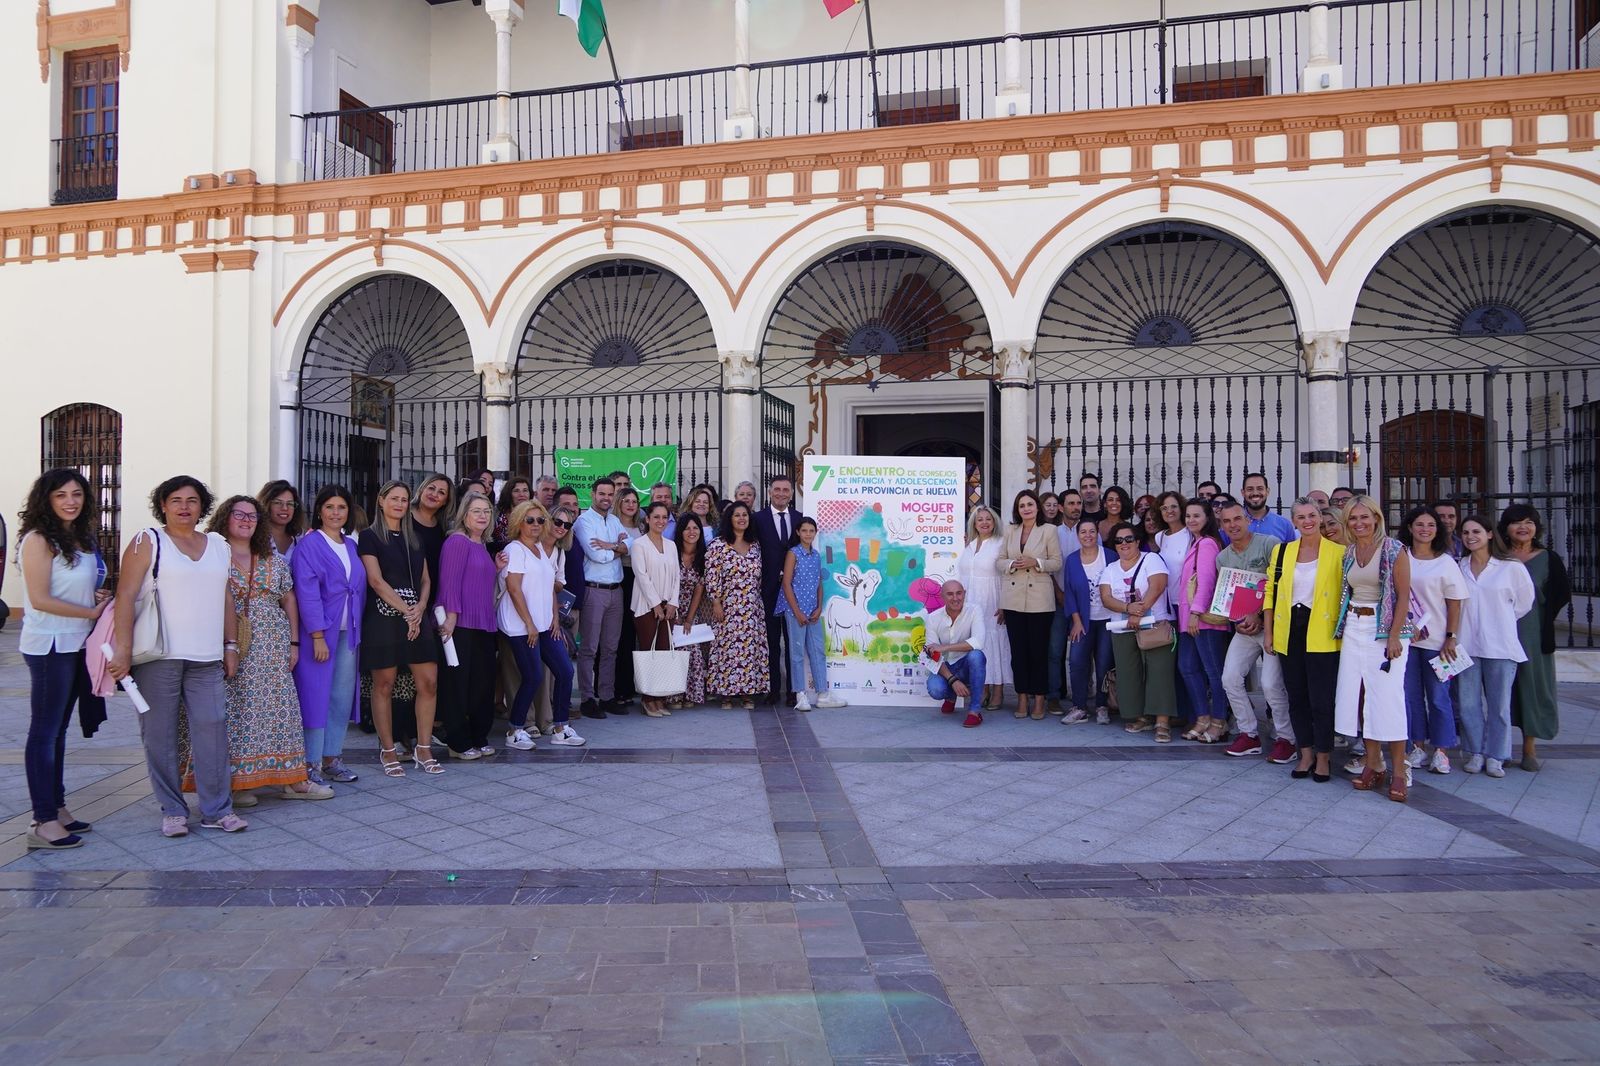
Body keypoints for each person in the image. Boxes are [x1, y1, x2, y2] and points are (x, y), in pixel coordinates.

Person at [108, 476, 245, 836]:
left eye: (192, 500)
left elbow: (227, 597)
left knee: (212, 729)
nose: (184, 507)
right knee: (160, 734)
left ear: (203, 506)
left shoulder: (218, 545)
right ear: (163, 505)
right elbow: (124, 597)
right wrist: (122, 650)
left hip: (206, 656)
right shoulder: (147, 541)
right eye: (176, 500)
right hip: (158, 656)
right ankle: (172, 810)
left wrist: (230, 646)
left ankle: (217, 809)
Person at [202, 495, 331, 804]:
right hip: (230, 641)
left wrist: (294, 642)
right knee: (238, 710)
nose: (246, 520)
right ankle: (240, 783)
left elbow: (288, 598)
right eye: (239, 515)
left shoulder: (268, 556)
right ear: (225, 518)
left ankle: (292, 779)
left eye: (252, 516)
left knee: (280, 708)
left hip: (273, 643)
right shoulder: (212, 554)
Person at [16, 469, 110, 849]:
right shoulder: (38, 540)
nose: (71, 501)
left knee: (58, 732)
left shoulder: (78, 539)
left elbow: (75, 589)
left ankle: (57, 808)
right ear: (46, 500)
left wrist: (96, 600)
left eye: (77, 494)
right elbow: (40, 599)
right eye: (61, 495)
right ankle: (42, 821)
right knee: (45, 732)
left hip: (76, 644)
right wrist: (91, 614)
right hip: (50, 646)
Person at [359, 481, 444, 776]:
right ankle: (388, 749)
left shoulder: (415, 537)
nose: (399, 504)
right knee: (384, 685)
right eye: (393, 498)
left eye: (404, 499)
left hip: (416, 617)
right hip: (384, 618)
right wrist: (407, 610)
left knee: (429, 682)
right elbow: (376, 581)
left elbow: (426, 579)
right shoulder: (369, 537)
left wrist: (420, 607)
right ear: (381, 501)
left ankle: (423, 748)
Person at [1336, 496, 1413, 802]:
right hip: (1355, 627)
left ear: (1376, 518)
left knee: (1388, 700)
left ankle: (1398, 771)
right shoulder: (1350, 552)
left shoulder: (1394, 549)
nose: (1359, 523)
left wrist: (1394, 636)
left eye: (1364, 517)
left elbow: (1404, 596)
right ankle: (1373, 764)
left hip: (1384, 631)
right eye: (1353, 518)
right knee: (1361, 697)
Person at [1263, 498, 1345, 781]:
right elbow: (1270, 593)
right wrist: (1270, 631)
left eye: (1312, 515)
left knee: (1321, 698)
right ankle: (1305, 752)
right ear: (1294, 521)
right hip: (1290, 630)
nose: (1307, 521)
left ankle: (1324, 756)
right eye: (1301, 517)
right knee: (1296, 696)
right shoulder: (1283, 551)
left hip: (1322, 632)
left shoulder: (1338, 552)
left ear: (1320, 518)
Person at [292, 485, 370, 780]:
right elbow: (307, 592)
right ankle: (310, 762)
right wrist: (316, 636)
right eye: (329, 507)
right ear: (319, 511)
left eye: (341, 507)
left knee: (340, 697)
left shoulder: (350, 545)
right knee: (316, 696)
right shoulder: (310, 546)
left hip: (348, 633)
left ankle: (332, 758)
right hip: (321, 634)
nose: (336, 513)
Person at [1215, 502, 1296, 763]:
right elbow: (1228, 596)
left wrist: (1261, 615)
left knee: (1271, 684)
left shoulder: (1270, 544)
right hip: (1245, 630)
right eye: (1227, 521)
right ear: (1222, 526)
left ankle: (1287, 739)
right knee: (1229, 678)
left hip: (1272, 626)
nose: (1233, 525)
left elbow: (1284, 585)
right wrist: (1237, 620)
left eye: (1237, 518)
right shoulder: (1222, 558)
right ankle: (1249, 734)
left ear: (1247, 520)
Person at [500, 499, 584, 749]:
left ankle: (561, 727)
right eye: (530, 520)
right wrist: (530, 625)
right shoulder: (515, 549)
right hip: (522, 627)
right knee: (533, 676)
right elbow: (514, 589)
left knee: (566, 671)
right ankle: (515, 730)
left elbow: (550, 587)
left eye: (540, 520)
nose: (536, 524)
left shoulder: (541, 549)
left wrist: (554, 619)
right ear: (519, 523)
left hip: (545, 625)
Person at [1455, 515, 1534, 778]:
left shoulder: (1510, 567)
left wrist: (1500, 620)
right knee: (1467, 704)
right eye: (1465, 532)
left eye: (1476, 531)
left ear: (1489, 534)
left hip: (1500, 646)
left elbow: (1524, 603)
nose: (1470, 536)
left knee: (1499, 705)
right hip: (1466, 645)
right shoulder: (1459, 566)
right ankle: (1475, 752)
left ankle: (1497, 755)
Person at [1501, 503, 1571, 772]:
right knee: (1502, 689)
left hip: (1534, 632)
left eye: (1529, 522)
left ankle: (1529, 748)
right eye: (1517, 522)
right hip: (1501, 629)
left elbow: (1561, 593)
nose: (1523, 527)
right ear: (1506, 527)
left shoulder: (1548, 558)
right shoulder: (1497, 556)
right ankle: (1500, 747)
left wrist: (1538, 613)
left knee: (1532, 686)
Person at [1399, 506, 1468, 775]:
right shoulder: (1400, 556)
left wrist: (1451, 637)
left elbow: (1454, 604)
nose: (1425, 529)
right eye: (1420, 524)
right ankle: (1417, 747)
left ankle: (1441, 751)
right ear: (1410, 527)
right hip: (1406, 640)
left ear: (1437, 530)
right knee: (1411, 697)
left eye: (1430, 525)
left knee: (1439, 698)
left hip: (1437, 642)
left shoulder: (1446, 562)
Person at [437, 494, 502, 760]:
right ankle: (458, 742)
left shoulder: (482, 545)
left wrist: (496, 569)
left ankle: (478, 736)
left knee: (481, 685)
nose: (483, 516)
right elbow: (449, 582)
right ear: (464, 514)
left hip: (484, 624)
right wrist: (451, 618)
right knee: (458, 686)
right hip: (461, 624)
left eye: (487, 511)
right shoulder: (457, 541)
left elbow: (478, 582)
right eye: (476, 511)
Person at [1100, 521, 1177, 742]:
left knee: (1160, 672)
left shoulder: (1151, 559)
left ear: (1138, 541)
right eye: (1119, 540)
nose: (1124, 544)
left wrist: (1139, 612)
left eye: (1129, 539)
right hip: (1122, 628)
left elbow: (1158, 585)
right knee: (1128, 674)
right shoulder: (1110, 569)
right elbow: (1106, 597)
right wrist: (1127, 609)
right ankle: (1141, 717)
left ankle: (1162, 722)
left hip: (1155, 625)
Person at [999, 490, 1062, 720]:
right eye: (1021, 505)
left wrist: (1035, 562)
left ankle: (1040, 698)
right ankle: (1022, 697)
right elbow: (999, 560)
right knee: (1018, 653)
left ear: (1037, 507)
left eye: (1030, 504)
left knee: (1038, 652)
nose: (1026, 508)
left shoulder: (1049, 530)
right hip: (1013, 599)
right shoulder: (1010, 530)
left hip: (1039, 601)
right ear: (1017, 509)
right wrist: (1012, 564)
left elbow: (1056, 562)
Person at [574, 477, 630, 717]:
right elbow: (598, 556)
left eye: (610, 494)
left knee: (610, 648)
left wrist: (611, 546)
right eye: (602, 494)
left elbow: (631, 545)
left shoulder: (616, 520)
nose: (606, 498)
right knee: (589, 648)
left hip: (616, 591)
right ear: (593, 494)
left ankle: (606, 696)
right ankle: (587, 699)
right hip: (594, 591)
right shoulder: (583, 522)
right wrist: (615, 549)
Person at [705, 501, 770, 708]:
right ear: (729, 519)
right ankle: (726, 694)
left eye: (745, 515)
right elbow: (712, 575)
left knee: (750, 650)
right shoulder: (718, 545)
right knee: (726, 649)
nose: (742, 518)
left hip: (751, 608)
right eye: (737, 515)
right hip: (727, 607)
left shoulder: (755, 545)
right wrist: (716, 602)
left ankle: (747, 693)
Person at [1175, 500, 1229, 744]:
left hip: (1204, 619)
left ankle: (1219, 721)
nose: (1191, 520)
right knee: (1187, 667)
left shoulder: (1207, 543)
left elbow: (1206, 580)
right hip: (1189, 620)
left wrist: (1196, 612)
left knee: (1213, 672)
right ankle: (1202, 717)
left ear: (1208, 518)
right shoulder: (1196, 543)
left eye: (1197, 515)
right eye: (1188, 516)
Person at [779, 516, 845, 711]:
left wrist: (818, 607)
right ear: (798, 533)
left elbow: (818, 583)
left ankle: (822, 693)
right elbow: (786, 583)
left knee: (817, 651)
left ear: (815, 533)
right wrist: (797, 612)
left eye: (811, 531)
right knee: (797, 653)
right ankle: (800, 694)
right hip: (795, 611)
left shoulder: (816, 555)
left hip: (813, 612)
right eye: (805, 530)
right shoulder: (793, 554)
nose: (808, 534)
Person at [754, 476, 805, 707]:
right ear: (770, 492)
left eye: (786, 490)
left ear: (792, 494)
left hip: (793, 591)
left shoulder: (799, 519)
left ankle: (795, 691)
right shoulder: (758, 519)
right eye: (777, 489)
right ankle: (773, 689)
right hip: (768, 590)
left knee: (793, 640)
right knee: (771, 642)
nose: (781, 493)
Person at [629, 501, 682, 717]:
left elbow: (677, 576)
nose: (660, 521)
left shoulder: (671, 545)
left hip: (668, 607)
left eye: (664, 517)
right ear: (647, 520)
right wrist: (655, 604)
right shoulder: (639, 545)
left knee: (663, 652)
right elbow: (642, 576)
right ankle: (647, 699)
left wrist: (672, 603)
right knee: (648, 652)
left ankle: (659, 698)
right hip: (646, 606)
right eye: (656, 517)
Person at [958, 505, 1012, 712]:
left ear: (994, 521)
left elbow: (1007, 575)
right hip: (971, 603)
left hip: (992, 601)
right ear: (974, 523)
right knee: (977, 644)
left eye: (988, 519)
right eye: (979, 519)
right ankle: (984, 688)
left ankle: (998, 691)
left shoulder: (1000, 544)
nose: (984, 522)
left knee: (994, 643)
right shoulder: (968, 545)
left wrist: (1005, 604)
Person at [1062, 517, 1114, 725]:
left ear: (1098, 534)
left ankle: (1102, 706)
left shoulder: (1110, 556)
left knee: (1103, 664)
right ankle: (1079, 707)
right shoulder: (1072, 560)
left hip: (1108, 620)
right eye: (1083, 532)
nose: (1088, 536)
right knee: (1076, 662)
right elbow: (1070, 594)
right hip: (1083, 620)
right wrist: (1076, 620)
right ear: (1077, 536)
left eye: (1092, 531)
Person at [925, 580, 987, 727]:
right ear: (942, 597)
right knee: (935, 690)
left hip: (965, 664)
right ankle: (951, 696)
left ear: (964, 593)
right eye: (950, 594)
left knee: (977, 656)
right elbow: (932, 655)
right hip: (945, 668)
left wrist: (945, 647)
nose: (955, 598)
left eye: (959, 593)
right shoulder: (933, 618)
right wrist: (952, 680)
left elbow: (978, 642)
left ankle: (974, 711)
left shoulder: (974, 610)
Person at [671, 514, 711, 710]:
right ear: (680, 531)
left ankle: (690, 695)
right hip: (669, 608)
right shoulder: (672, 552)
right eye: (687, 528)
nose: (692, 532)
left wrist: (688, 618)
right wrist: (674, 613)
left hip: (691, 610)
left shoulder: (704, 557)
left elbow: (699, 589)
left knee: (692, 651)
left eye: (695, 528)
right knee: (674, 651)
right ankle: (673, 695)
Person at [613, 487, 646, 709]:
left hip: (640, 580)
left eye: (634, 501)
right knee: (622, 636)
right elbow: (615, 552)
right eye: (626, 501)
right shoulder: (614, 525)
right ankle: (620, 688)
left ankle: (634, 685)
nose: (631, 505)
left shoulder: (642, 527)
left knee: (636, 634)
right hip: (622, 579)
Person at [1241, 473, 1296, 542]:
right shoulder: (1234, 524)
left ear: (1267, 491)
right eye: (1250, 489)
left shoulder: (1285, 525)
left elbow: (1291, 552)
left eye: (1260, 488)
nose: (1255, 493)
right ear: (1243, 493)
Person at [257, 480, 304, 560]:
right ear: (266, 504)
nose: (285, 508)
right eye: (277, 503)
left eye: (290, 503)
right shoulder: (255, 536)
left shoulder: (300, 538)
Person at [493, 476, 532, 544]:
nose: (521, 494)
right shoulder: (497, 513)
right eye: (516, 491)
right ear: (508, 494)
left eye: (525, 490)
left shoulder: (535, 514)